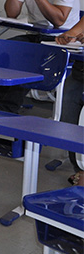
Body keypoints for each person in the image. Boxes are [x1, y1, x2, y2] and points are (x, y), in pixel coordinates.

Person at [0, 0, 81, 113]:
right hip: (36, 34)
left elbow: (59, 20)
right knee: (3, 51)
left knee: (26, 58)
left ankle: (5, 110)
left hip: (62, 39)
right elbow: (12, 14)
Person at [55, 16, 84, 186]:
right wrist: (67, 37)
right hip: (80, 72)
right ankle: (79, 168)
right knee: (69, 121)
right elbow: (73, 32)